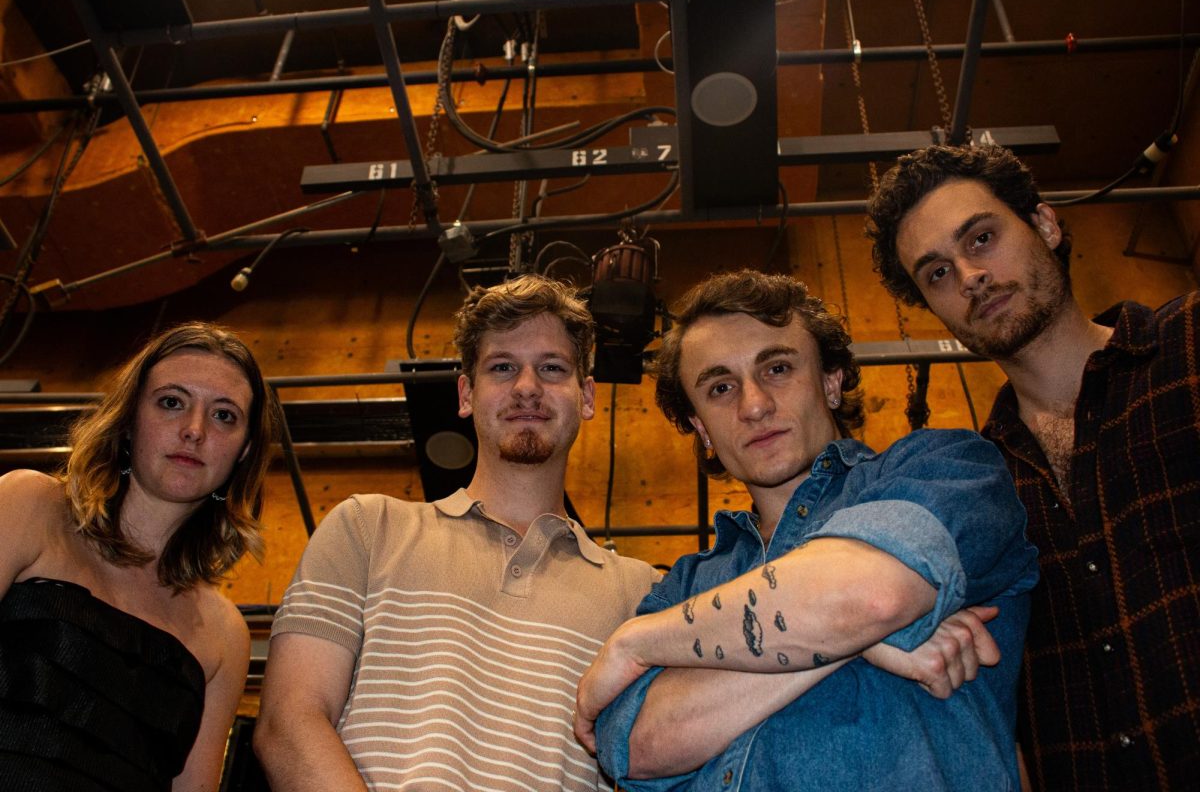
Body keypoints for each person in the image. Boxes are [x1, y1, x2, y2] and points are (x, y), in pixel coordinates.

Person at [574, 269, 1038, 791]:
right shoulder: (687, 583)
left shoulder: (943, 466)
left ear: (832, 381)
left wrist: (636, 643)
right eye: (721, 387)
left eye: (777, 368)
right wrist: (858, 642)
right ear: (701, 428)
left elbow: (870, 598)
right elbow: (634, 744)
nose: (753, 405)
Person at [866, 143, 1200, 791]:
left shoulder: (1189, 344)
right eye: (936, 273)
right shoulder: (976, 483)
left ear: (1045, 225)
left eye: (982, 238)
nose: (968, 276)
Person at [254, 275, 661, 792]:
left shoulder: (641, 595)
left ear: (585, 396)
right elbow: (289, 724)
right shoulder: (366, 527)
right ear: (466, 393)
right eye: (502, 367)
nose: (527, 386)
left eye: (552, 368)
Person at [0, 321, 279, 792]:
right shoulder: (29, 505)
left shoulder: (223, 634)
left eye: (224, 416)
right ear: (129, 420)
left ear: (244, 452)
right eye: (172, 403)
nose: (194, 430)